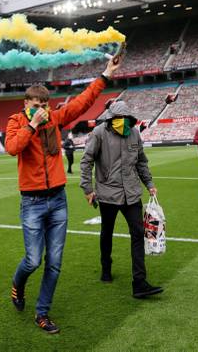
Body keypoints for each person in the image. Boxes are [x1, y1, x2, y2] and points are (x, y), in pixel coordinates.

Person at [5, 57, 121, 334]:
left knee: (54, 264)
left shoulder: (56, 119)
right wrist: (32, 124)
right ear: (26, 105)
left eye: (44, 106)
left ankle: (42, 313)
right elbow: (12, 147)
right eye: (36, 107)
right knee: (33, 260)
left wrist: (105, 75)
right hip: (32, 202)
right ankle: (18, 286)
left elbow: (82, 102)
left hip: (57, 200)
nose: (42, 111)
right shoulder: (17, 122)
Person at [79, 100, 164, 299]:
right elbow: (86, 161)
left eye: (125, 119)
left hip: (132, 193)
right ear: (111, 118)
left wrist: (149, 184)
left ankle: (139, 282)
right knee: (106, 232)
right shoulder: (99, 133)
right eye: (118, 119)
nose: (122, 122)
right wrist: (87, 189)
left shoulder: (134, 133)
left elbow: (141, 161)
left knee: (138, 232)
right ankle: (106, 268)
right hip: (108, 193)